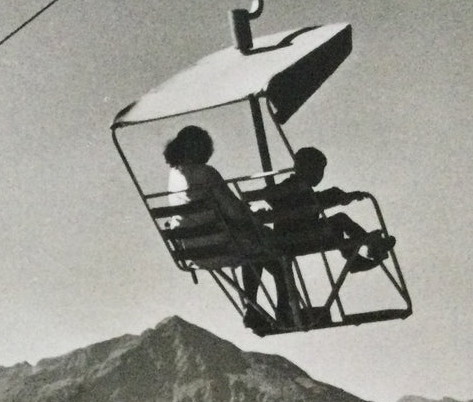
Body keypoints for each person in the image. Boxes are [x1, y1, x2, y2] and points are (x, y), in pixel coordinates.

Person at [162, 125, 293, 330]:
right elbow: (234, 212)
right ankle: (284, 311)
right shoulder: (206, 173)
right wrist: (253, 213)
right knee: (274, 246)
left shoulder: (174, 175)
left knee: (255, 247)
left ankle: (254, 310)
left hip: (193, 250)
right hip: (221, 245)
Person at [265, 147, 394, 271]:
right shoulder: (292, 186)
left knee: (336, 227)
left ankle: (358, 255)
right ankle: (366, 246)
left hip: (303, 234)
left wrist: (344, 196)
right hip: (295, 238)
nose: (320, 175)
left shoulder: (303, 189)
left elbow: (318, 199)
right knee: (339, 219)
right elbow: (272, 196)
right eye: (318, 170)